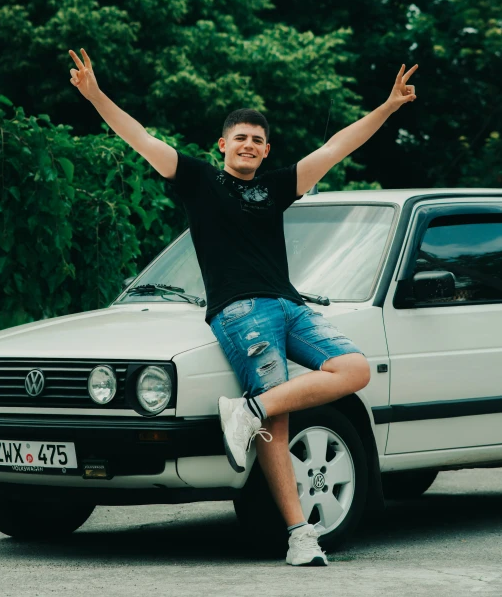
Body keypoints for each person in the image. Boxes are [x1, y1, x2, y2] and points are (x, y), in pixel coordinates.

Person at [69, 48, 417, 566]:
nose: (249, 145)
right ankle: (300, 534)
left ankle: (248, 410)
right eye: (241, 138)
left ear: (266, 148)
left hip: (290, 306)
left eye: (257, 139)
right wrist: (96, 95)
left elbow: (338, 146)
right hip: (240, 311)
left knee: (355, 368)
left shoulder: (279, 187)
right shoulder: (199, 181)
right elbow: (141, 138)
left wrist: (388, 107)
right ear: (223, 145)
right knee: (277, 418)